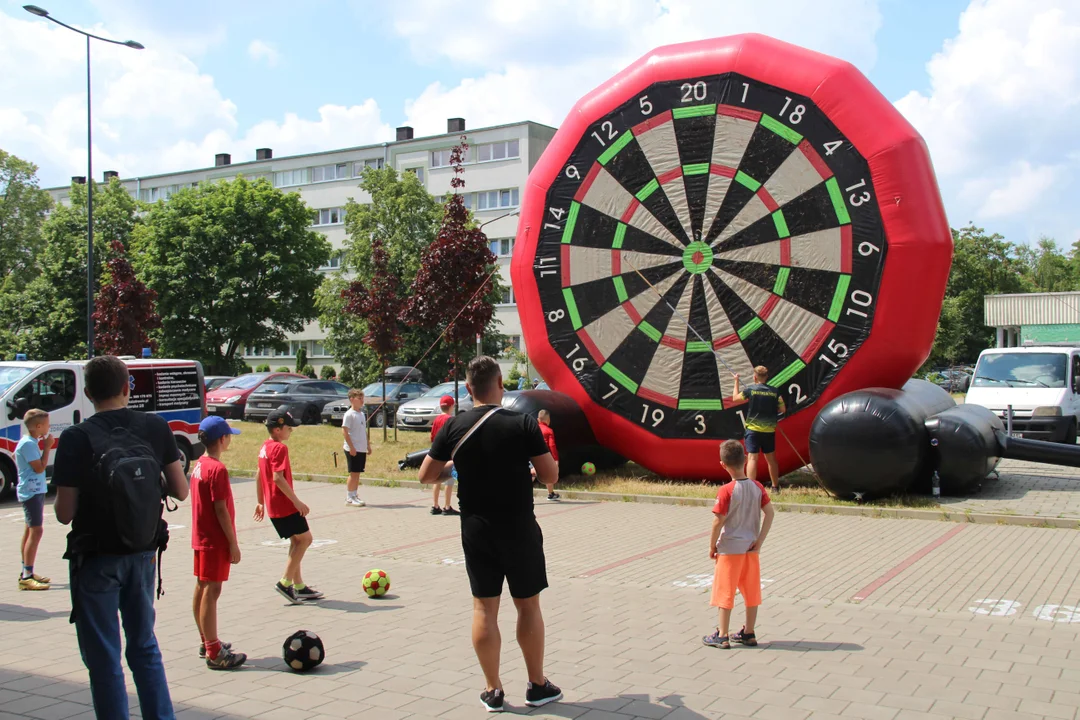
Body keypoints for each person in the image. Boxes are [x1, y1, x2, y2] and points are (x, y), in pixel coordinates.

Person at [419, 356, 563, 712]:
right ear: (501, 383)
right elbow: (550, 476)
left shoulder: (454, 426)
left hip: (476, 528)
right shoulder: (524, 423)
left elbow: (426, 476)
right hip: (518, 526)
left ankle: (493, 690)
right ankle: (537, 685)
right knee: (527, 605)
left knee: (484, 608)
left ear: (468, 389)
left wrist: (454, 468)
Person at [53, 355, 189, 720]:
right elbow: (181, 491)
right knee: (144, 647)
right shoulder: (156, 428)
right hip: (143, 553)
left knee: (103, 658)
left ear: (87, 392)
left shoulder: (75, 438)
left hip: (96, 558)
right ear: (128, 388)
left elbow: (65, 513)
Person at [703, 440, 775, 649]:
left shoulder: (726, 490)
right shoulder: (757, 487)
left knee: (725, 590)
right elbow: (770, 513)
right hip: (751, 548)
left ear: (722, 465)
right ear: (745, 460)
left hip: (729, 549)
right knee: (751, 590)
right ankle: (749, 632)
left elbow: (718, 520)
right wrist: (760, 540)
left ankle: (722, 634)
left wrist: (712, 545)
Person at [190, 416, 246, 670]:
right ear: (222, 439)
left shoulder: (199, 465)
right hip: (215, 540)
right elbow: (221, 509)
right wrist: (233, 543)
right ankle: (214, 651)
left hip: (201, 537)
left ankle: (206, 640)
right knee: (213, 592)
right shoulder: (218, 470)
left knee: (202, 587)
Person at [254, 406, 323, 604]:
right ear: (278, 429)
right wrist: (297, 502)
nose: (290, 431)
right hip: (284, 505)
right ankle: (285, 583)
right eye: (289, 428)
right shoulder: (279, 448)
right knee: (306, 540)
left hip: (273, 505)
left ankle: (299, 586)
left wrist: (260, 501)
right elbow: (277, 478)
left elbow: (259, 474)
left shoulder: (264, 447)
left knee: (296, 541)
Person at [16, 409, 53, 590]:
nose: (49, 427)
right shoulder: (29, 444)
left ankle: (26, 570)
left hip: (34, 490)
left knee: (30, 530)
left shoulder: (30, 442)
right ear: (38, 427)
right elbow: (39, 468)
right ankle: (27, 575)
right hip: (31, 491)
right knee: (36, 531)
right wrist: (47, 447)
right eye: (46, 424)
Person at [732, 366, 785, 492]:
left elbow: (735, 398)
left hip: (753, 430)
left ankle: (750, 488)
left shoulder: (751, 390)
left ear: (754, 377)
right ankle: (775, 487)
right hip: (768, 431)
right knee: (771, 460)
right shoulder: (775, 391)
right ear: (766, 377)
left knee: (752, 458)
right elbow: (783, 409)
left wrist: (736, 381)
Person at [429, 394, 459, 516]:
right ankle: (447, 506)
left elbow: (432, 436)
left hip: (437, 454)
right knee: (448, 480)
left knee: (437, 479)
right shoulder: (450, 420)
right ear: (451, 406)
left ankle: (435, 505)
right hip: (448, 454)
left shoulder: (436, 419)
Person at [341, 388, 370, 507]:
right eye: (359, 398)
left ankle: (354, 494)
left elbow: (363, 431)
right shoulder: (349, 414)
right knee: (353, 473)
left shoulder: (361, 414)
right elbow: (345, 431)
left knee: (358, 473)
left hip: (361, 448)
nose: (362, 401)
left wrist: (368, 445)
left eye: (363, 398)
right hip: (352, 449)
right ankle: (349, 497)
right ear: (352, 399)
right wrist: (351, 447)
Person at [536, 409, 560, 501]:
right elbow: (552, 446)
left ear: (538, 420)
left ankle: (522, 494)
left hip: (531, 455)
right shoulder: (549, 431)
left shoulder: (533, 429)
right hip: (543, 456)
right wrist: (556, 459)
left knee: (532, 475)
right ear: (548, 420)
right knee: (548, 474)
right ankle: (550, 494)